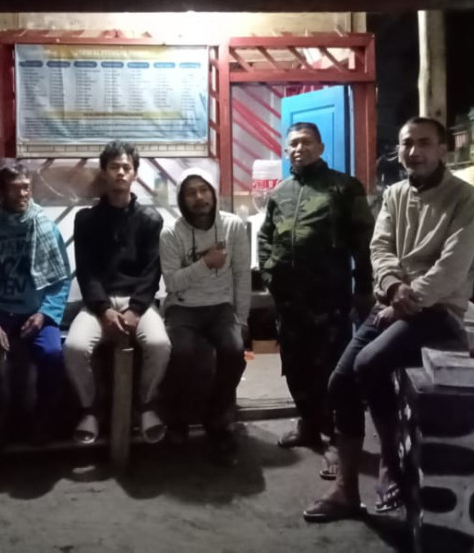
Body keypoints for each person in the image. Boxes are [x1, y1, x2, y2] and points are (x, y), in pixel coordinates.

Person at [304, 116, 474, 522]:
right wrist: (391, 287)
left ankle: (391, 461)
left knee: (369, 364)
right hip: (392, 302)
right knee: (339, 382)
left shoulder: (466, 199)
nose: (414, 152)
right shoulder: (394, 194)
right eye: (406, 144)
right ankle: (346, 490)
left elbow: (452, 267)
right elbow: (380, 247)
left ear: (442, 149)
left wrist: (408, 297)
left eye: (424, 143)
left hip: (439, 310)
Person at [257, 122, 374, 474]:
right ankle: (308, 423)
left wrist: (363, 288)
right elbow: (265, 237)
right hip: (289, 300)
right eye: (293, 143)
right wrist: (269, 274)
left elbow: (364, 242)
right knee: (296, 365)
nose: (299, 149)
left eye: (306, 142)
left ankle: (335, 438)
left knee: (332, 370)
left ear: (320, 148)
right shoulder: (281, 192)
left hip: (329, 298)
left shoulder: (344, 187)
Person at [63, 141, 171, 445]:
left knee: (160, 344)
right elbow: (86, 271)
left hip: (138, 303)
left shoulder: (150, 219)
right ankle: (90, 410)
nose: (121, 173)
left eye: (126, 167)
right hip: (99, 304)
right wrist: (103, 309)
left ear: (135, 174)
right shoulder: (86, 220)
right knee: (74, 347)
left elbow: (152, 272)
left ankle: (145, 405)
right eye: (114, 167)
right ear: (104, 172)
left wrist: (135, 309)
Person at [160, 168, 251, 466]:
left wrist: (242, 318)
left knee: (234, 351)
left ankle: (218, 419)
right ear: (181, 199)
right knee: (181, 353)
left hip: (220, 306)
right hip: (182, 307)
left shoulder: (233, 226)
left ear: (213, 193)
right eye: (191, 193)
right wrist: (206, 263)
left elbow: (241, 275)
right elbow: (172, 283)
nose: (199, 197)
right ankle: (177, 420)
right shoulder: (171, 232)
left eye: (204, 190)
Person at [0, 164, 71, 443]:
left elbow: (61, 279)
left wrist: (44, 314)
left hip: (35, 312)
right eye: (15, 188)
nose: (22, 194)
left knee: (51, 354)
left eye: (26, 187)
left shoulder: (46, 227)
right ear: (1, 192)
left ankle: (43, 421)